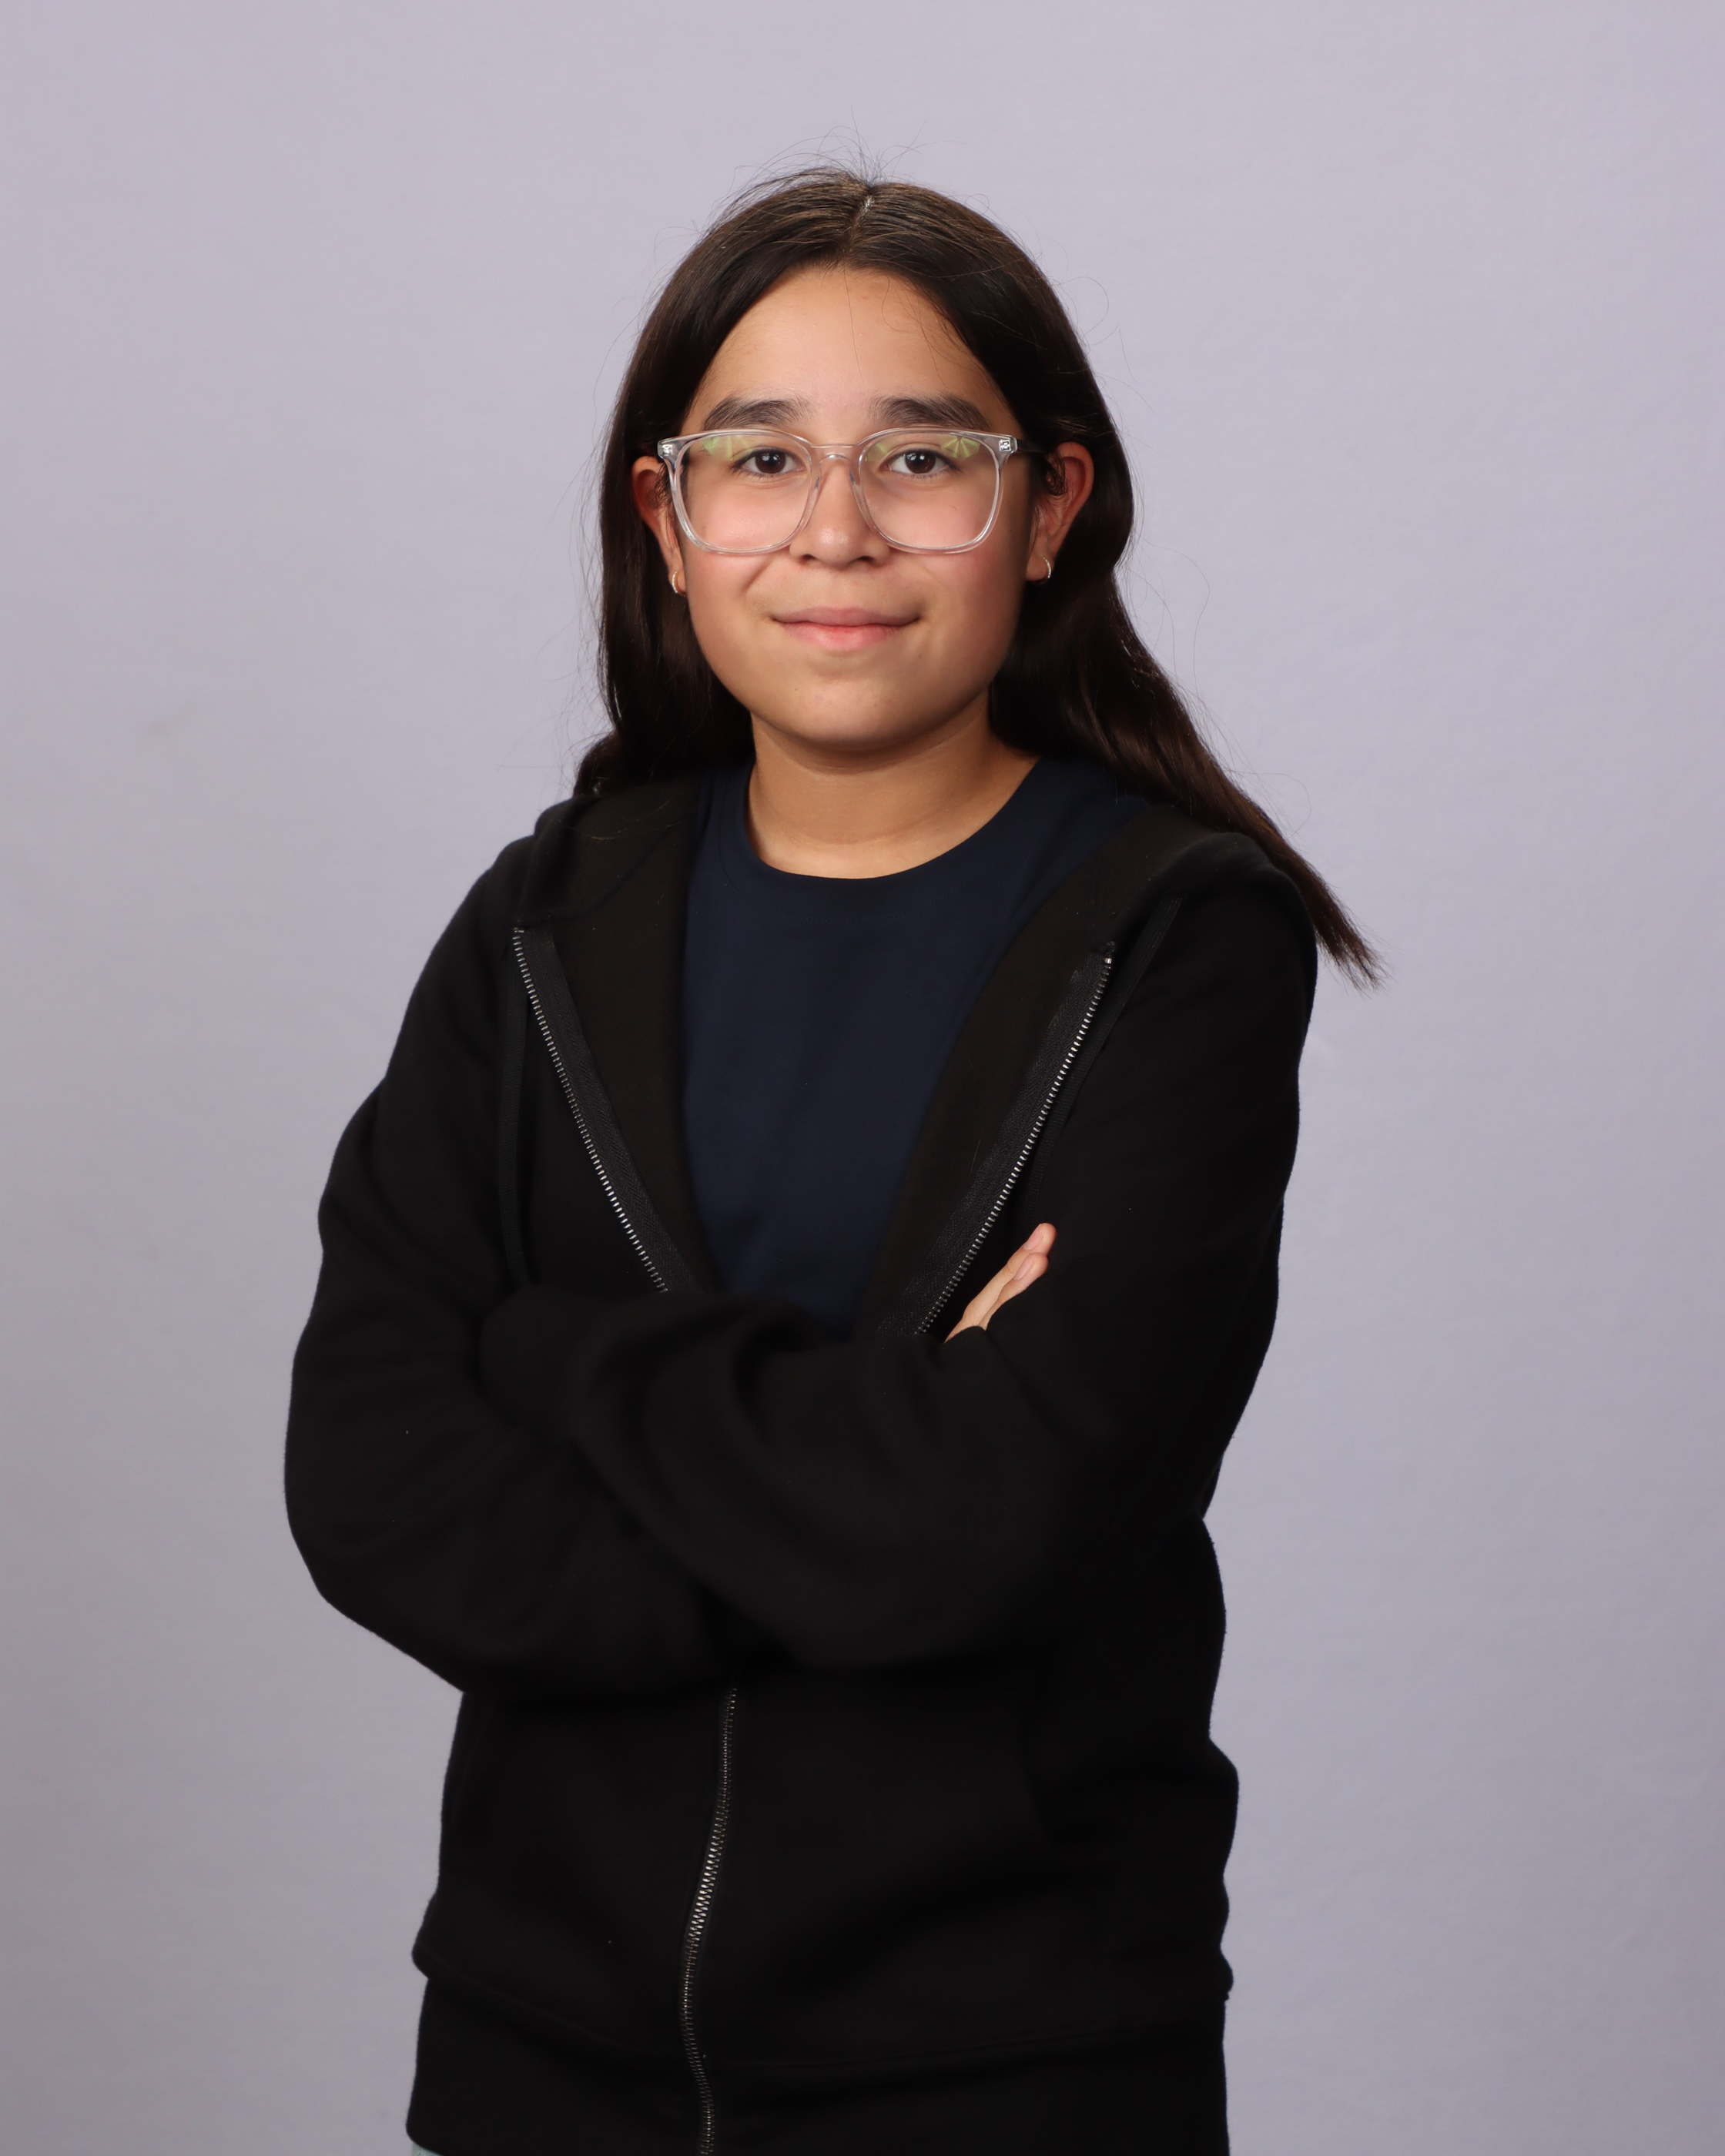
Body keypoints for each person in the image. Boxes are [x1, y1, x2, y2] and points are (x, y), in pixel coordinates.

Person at [286, 166, 1375, 2156]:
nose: (837, 528)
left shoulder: (1176, 940)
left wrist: (550, 1361)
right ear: (669, 519)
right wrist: (870, 1478)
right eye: (764, 457)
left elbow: (1009, 1514)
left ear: (1047, 506)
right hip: (542, 2057)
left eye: (922, 458)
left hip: (1013, 2068)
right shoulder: (541, 927)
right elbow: (371, 1487)